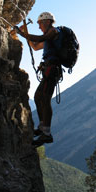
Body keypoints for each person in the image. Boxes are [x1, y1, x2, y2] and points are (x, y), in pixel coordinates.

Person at [16, 12, 62, 146]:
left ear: (47, 21)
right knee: (37, 97)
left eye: (40, 23)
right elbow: (35, 46)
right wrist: (25, 33)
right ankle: (43, 128)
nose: (39, 26)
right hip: (49, 70)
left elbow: (40, 39)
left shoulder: (54, 32)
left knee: (45, 98)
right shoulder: (49, 38)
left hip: (52, 70)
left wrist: (22, 33)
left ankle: (46, 133)